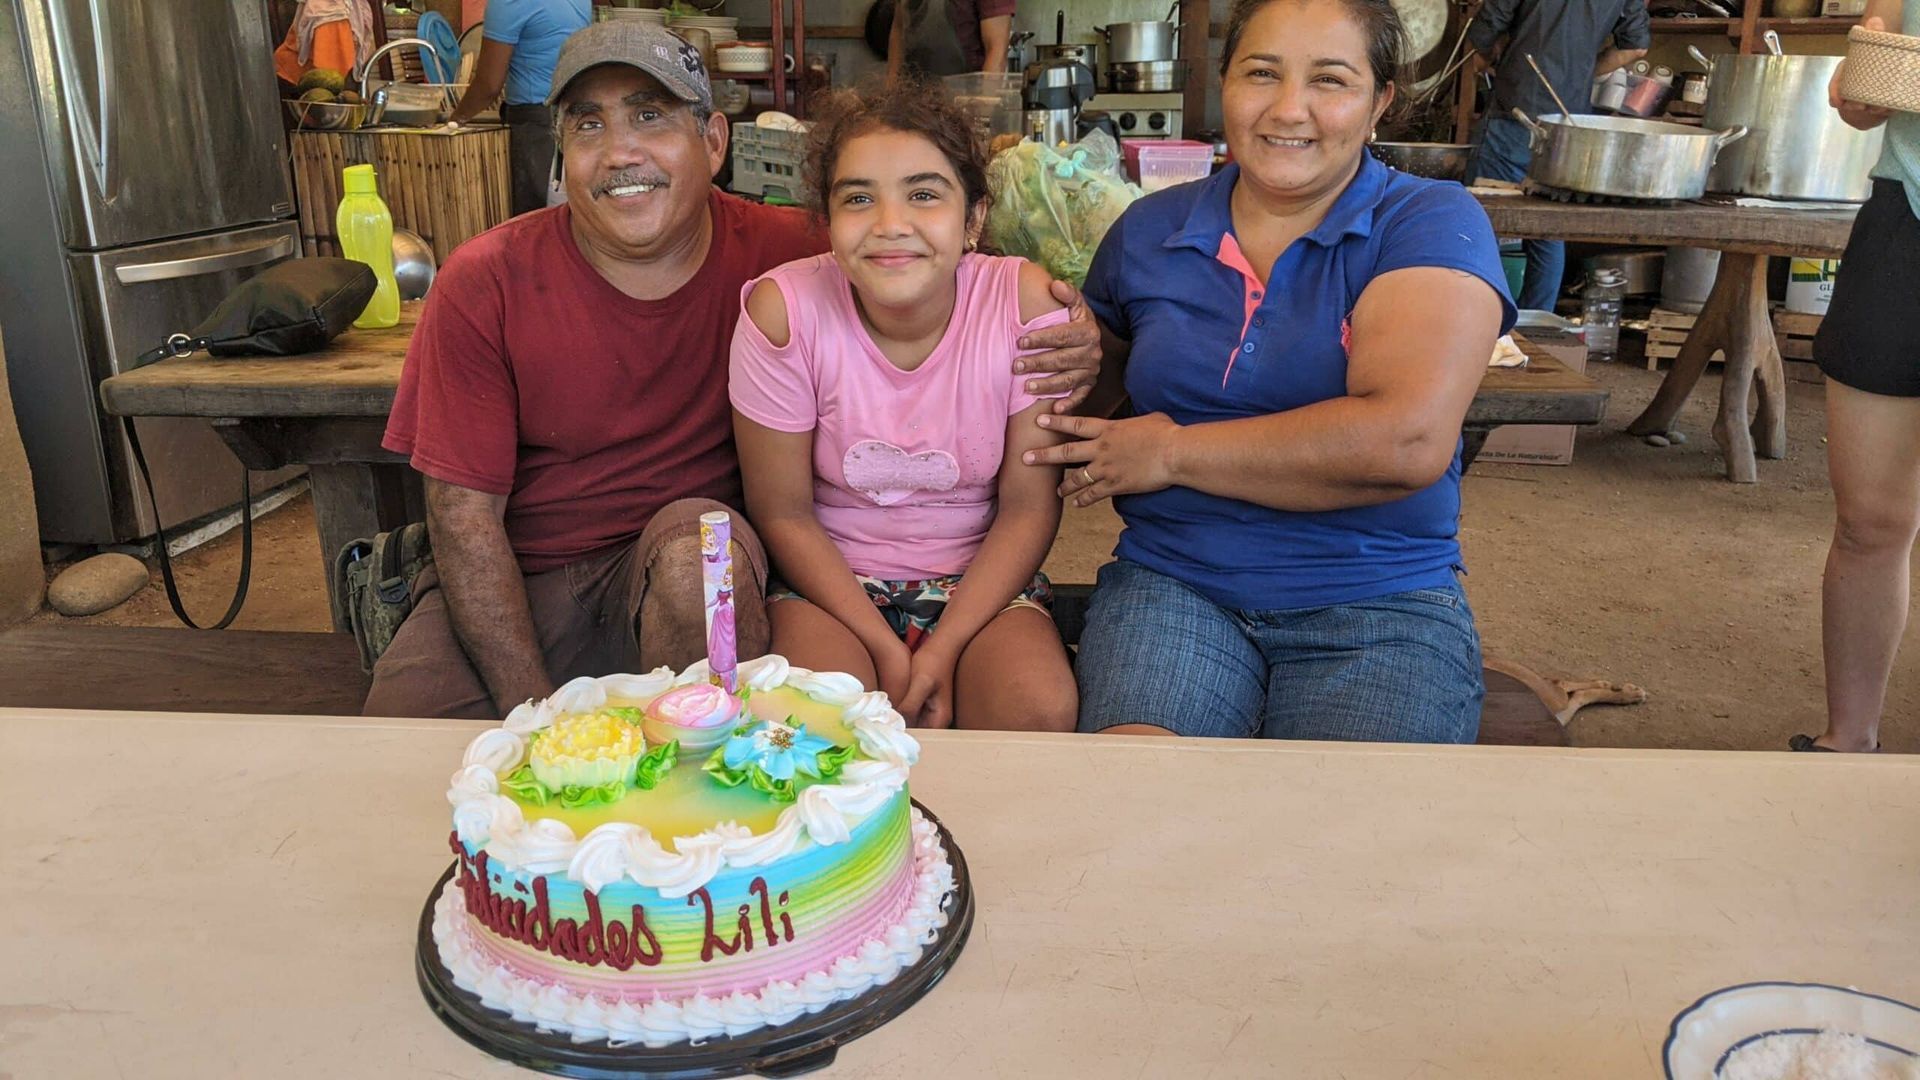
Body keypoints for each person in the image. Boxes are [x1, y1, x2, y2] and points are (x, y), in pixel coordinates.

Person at [365, 21, 1101, 720]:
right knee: (399, 760)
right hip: (526, 577)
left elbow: (922, 257)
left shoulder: (794, 252)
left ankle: (699, 816)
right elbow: (462, 518)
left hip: (689, 569)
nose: (620, 151)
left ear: (713, 141)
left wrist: (1084, 331)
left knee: (700, 558)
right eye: (588, 125)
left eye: (650, 116)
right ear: (562, 151)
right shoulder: (484, 280)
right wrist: (535, 719)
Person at [1026, 0, 1516, 742]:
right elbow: (1089, 392)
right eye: (1262, 73)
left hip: (1378, 597)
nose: (1290, 109)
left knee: (1339, 839)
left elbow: (1405, 440)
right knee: (1135, 804)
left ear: (1380, 101)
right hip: (1174, 583)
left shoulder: (1427, 220)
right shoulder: (1151, 231)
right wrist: (1083, 355)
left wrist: (1170, 453)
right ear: (1224, 84)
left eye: (1331, 80)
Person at [729, 80, 1077, 732]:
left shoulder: (1023, 306)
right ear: (827, 222)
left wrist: (941, 648)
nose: (890, 224)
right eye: (858, 198)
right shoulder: (784, 313)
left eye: (924, 194)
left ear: (973, 219)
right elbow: (783, 511)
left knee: (1039, 710)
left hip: (981, 584)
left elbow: (1030, 507)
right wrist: (890, 652)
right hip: (830, 586)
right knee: (809, 722)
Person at [1793, 2, 1915, 754]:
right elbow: (1857, 100)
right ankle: (1850, 741)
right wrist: (1871, 62)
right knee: (1870, 519)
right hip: (1906, 229)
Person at [1461, 0, 1649, 311]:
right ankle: (1536, 325)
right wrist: (1588, 69)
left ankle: (1478, 315)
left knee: (1483, 216)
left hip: (1515, 110)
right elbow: (1636, 47)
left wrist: (1493, 60)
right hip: (1567, 123)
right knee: (1548, 227)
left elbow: (1482, 32)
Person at [447, 0, 592, 215]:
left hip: (536, 125)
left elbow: (488, 85)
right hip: (576, 116)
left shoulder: (509, 3)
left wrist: (455, 118)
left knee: (534, 222)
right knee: (567, 216)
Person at [887, 0, 1016, 79]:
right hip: (913, 99)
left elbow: (996, 49)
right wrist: (890, 96)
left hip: (963, 100)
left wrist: (984, 110)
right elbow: (898, 29)